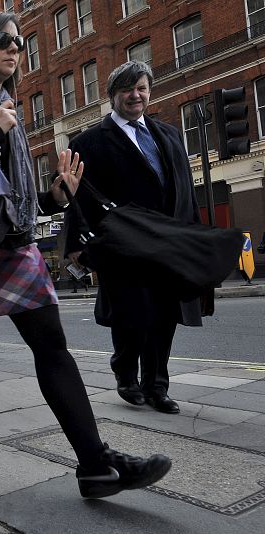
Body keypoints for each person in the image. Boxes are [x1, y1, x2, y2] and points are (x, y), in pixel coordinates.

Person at [0, 11, 172, 499]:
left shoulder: (6, 105)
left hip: (12, 245)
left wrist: (54, 196)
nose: (15, 49)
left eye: (18, 43)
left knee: (52, 347)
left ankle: (94, 465)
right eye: (3, 41)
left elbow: (3, 191)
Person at [64, 61, 203, 415]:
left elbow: (185, 189)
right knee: (133, 313)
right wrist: (77, 243)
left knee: (165, 316)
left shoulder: (169, 135)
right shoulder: (89, 141)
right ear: (112, 95)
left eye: (141, 88)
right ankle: (126, 372)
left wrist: (196, 235)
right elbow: (75, 193)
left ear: (149, 91)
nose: (135, 95)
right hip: (123, 243)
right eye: (127, 89)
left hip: (170, 242)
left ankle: (157, 386)